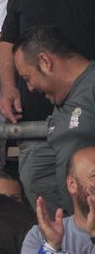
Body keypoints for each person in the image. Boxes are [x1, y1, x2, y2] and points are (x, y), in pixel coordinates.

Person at [14, 26, 95, 216]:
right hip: (79, 233)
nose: (30, 88)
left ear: (45, 62)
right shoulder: (62, 100)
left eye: (28, 78)